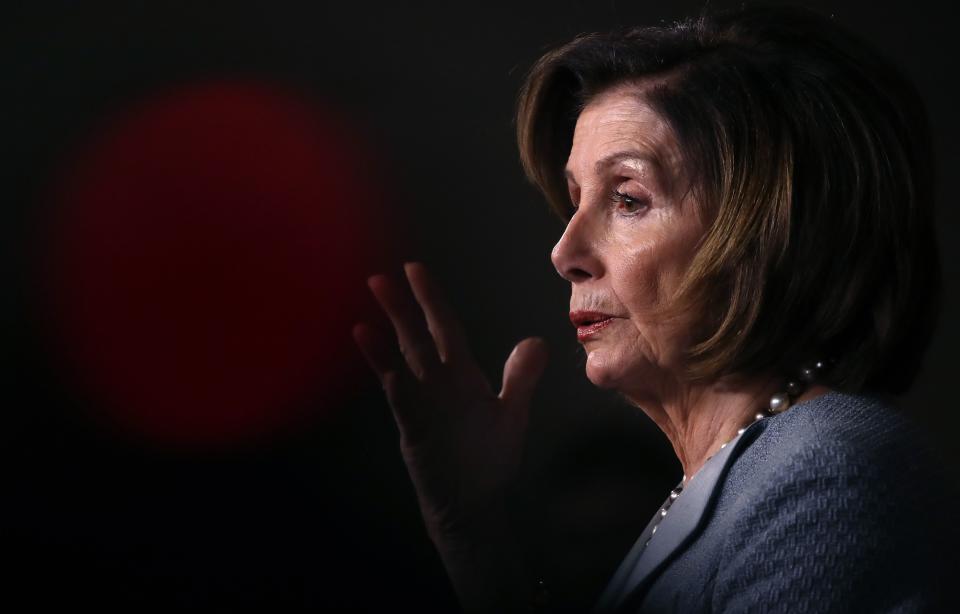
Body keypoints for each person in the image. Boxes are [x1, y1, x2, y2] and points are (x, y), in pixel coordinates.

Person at [352, 3, 960, 612]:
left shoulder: (827, 473)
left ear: (768, 231)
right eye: (574, 201)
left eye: (628, 199)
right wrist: (472, 526)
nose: (565, 253)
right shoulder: (738, 478)